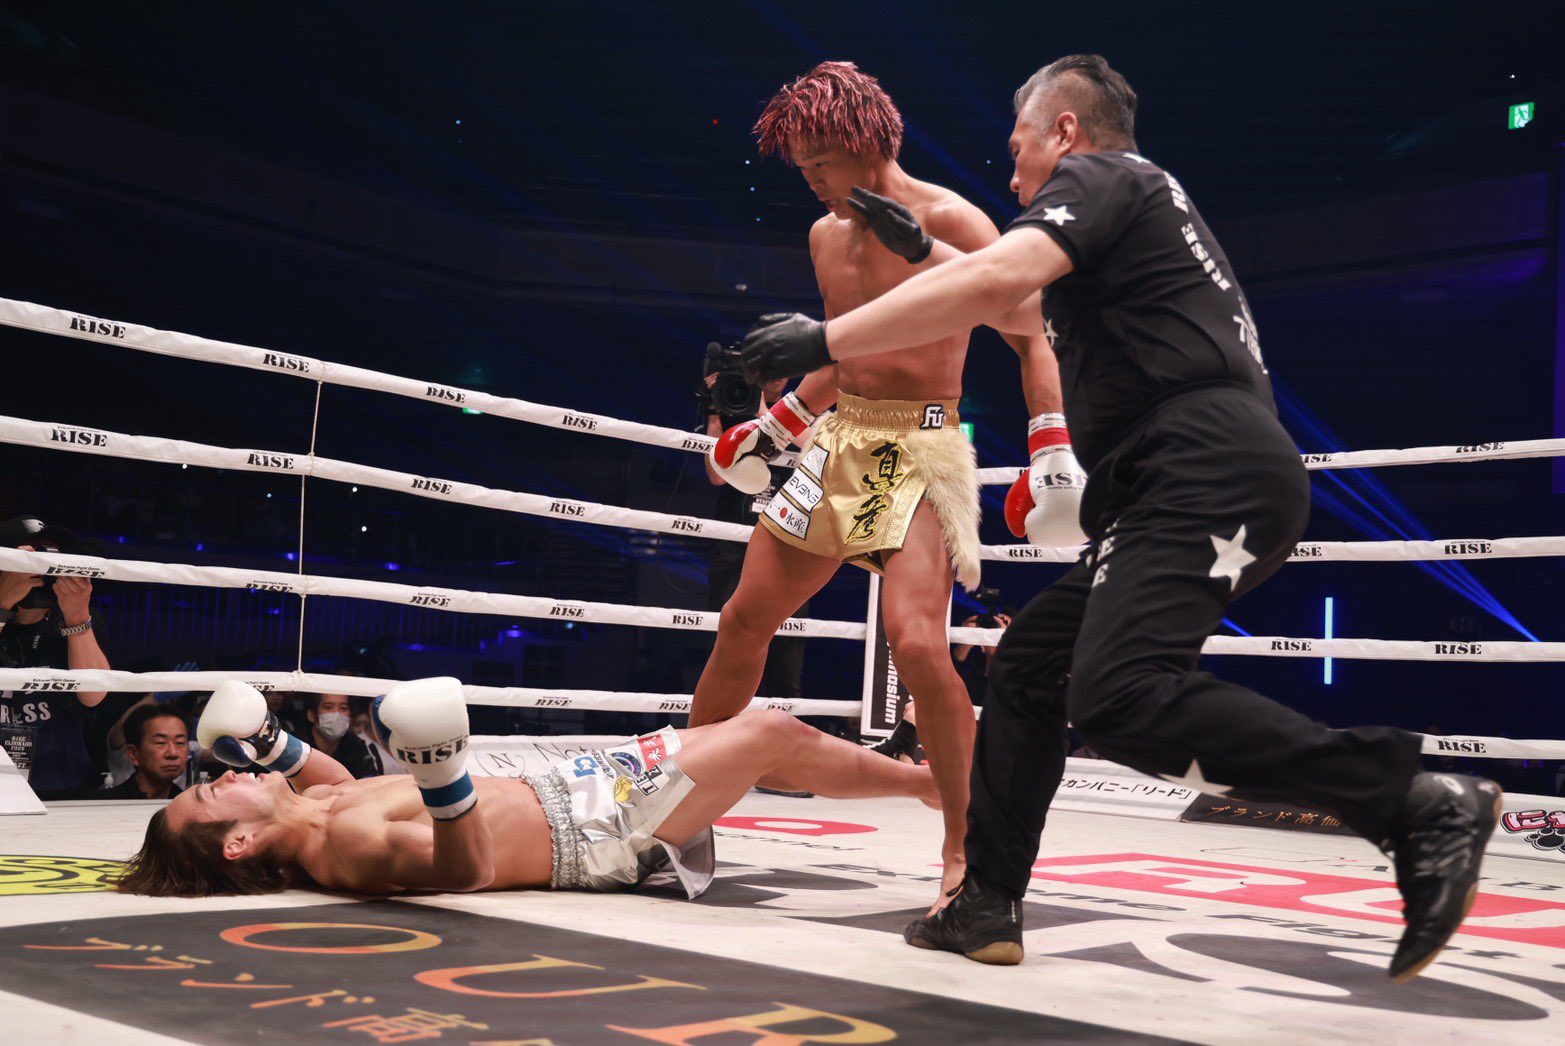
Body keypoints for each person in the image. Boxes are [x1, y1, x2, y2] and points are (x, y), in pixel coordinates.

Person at [738, 54, 1500, 982]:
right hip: (1175, 477)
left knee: (1118, 695)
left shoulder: (1108, 177)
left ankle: (1411, 797)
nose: (1010, 174)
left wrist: (825, 337)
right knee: (1028, 666)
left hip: (1200, 468)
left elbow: (999, 281)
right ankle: (984, 900)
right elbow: (1020, 310)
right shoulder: (1116, 229)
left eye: (1018, 147)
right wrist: (924, 253)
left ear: (1063, 131)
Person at [694, 61, 1080, 905]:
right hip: (841, 439)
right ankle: (679, 810)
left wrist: (1051, 445)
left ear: (868, 143)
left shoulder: (953, 219)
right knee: (743, 618)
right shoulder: (824, 236)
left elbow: (1031, 332)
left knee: (917, 643)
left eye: (821, 160)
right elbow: (846, 351)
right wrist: (776, 425)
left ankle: (967, 855)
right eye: (801, 165)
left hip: (924, 444)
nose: (811, 178)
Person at [113, 678, 936, 897]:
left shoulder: (315, 813)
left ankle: (920, 780)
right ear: (239, 843)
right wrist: (442, 777)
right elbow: (463, 870)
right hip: (597, 836)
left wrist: (273, 743)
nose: (220, 774)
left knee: (755, 741)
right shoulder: (347, 852)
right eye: (210, 795)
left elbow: (336, 778)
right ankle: (929, 787)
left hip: (572, 789)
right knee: (766, 733)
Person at [702, 373, 811, 703]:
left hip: (787, 545)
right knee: (729, 642)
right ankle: (722, 724)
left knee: (786, 654)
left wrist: (766, 412)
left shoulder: (805, 406)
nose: (774, 374)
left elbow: (814, 445)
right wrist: (714, 413)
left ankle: (781, 727)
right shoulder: (731, 408)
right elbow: (716, 476)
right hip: (734, 546)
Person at [0, 517, 112, 798]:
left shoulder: (79, 618)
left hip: (61, 782)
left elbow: (93, 696)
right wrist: (2, 603)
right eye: (30, 561)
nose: (40, 572)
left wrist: (77, 616)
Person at [92, 704, 188, 800]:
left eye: (180, 742)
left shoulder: (188, 803)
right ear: (133, 754)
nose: (173, 753)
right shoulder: (105, 804)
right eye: (160, 742)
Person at [303, 692, 381, 779]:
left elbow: (369, 779)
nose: (337, 714)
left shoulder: (356, 745)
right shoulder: (299, 746)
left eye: (343, 708)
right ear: (311, 715)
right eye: (328, 707)